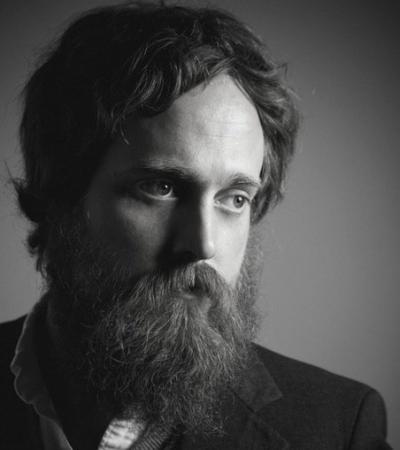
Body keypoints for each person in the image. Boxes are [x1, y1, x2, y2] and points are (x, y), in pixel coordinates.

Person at [0, 2, 391, 449]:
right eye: (161, 188)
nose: (203, 244)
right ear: (59, 195)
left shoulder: (338, 429)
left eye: (235, 199)